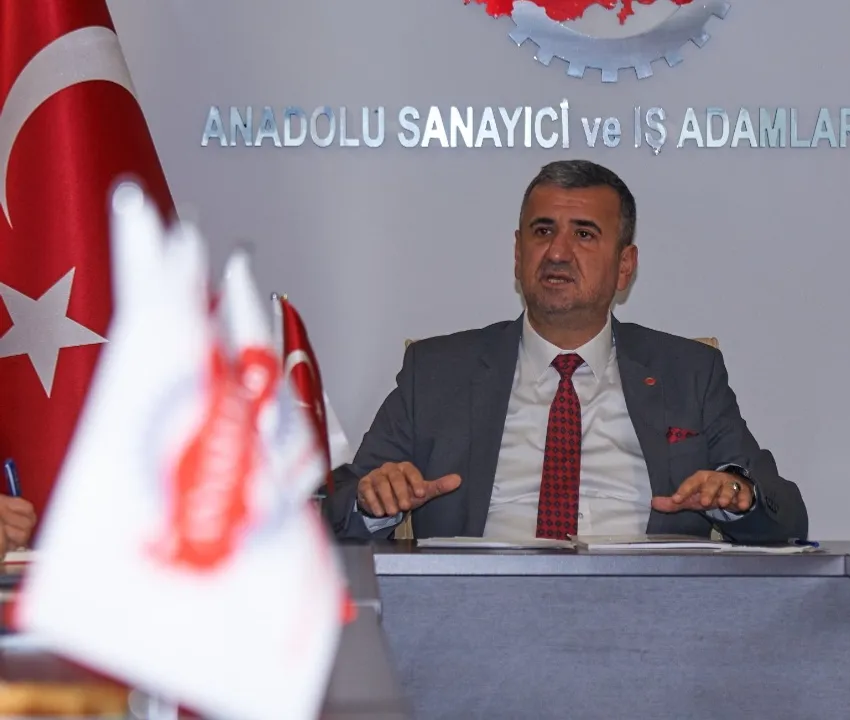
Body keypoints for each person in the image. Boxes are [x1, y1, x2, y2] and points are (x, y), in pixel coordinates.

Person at [327, 159, 808, 543]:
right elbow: (336, 507)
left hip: (647, 609)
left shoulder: (689, 373)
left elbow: (785, 516)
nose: (557, 253)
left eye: (583, 234)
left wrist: (737, 495)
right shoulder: (437, 371)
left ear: (625, 266)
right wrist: (373, 499)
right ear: (518, 254)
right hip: (483, 608)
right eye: (542, 231)